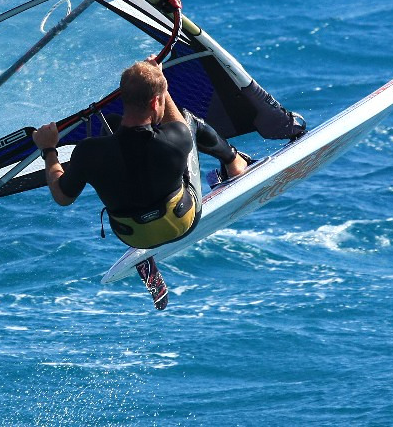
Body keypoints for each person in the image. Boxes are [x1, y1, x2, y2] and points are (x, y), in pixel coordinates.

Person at [32, 56, 279, 310]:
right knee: (189, 120)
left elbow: (62, 197)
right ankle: (234, 162)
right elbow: (176, 121)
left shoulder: (89, 152)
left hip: (133, 236)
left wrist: (49, 149)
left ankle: (147, 252)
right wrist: (163, 85)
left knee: (113, 129)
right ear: (155, 101)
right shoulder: (176, 138)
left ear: (123, 98)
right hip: (181, 221)